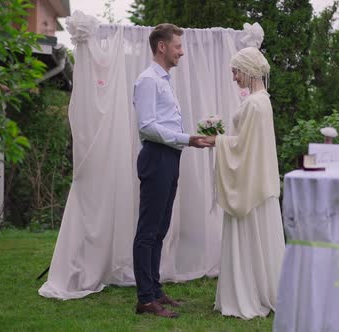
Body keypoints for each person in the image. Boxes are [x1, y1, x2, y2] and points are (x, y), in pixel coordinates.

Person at [132, 23, 210, 319]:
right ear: (162, 47)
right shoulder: (148, 80)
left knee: (160, 228)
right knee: (148, 230)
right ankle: (144, 299)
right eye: (177, 46)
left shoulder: (163, 80)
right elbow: (147, 127)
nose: (181, 51)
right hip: (157, 157)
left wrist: (187, 140)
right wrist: (187, 139)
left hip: (170, 157)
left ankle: (154, 289)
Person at [203, 47, 286, 320]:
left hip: (249, 185)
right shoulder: (263, 101)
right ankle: (264, 289)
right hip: (259, 182)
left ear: (249, 70)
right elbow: (247, 144)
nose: (234, 77)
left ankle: (248, 295)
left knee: (249, 237)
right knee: (263, 242)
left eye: (236, 71)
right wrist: (224, 139)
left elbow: (241, 146)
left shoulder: (253, 104)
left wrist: (217, 140)